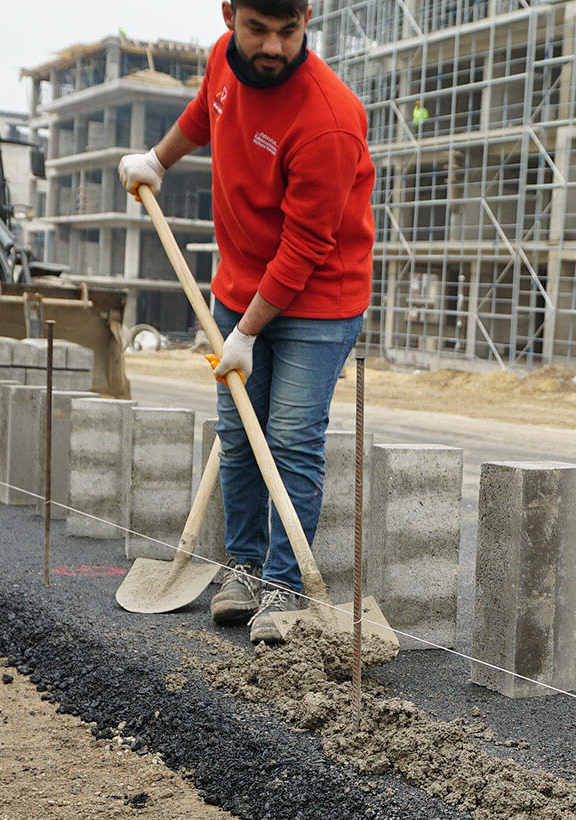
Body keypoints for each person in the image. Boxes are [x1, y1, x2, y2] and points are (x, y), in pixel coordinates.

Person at [119, 0, 374, 644]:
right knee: (237, 436)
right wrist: (159, 158)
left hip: (317, 299)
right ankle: (245, 567)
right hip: (238, 285)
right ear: (229, 13)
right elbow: (208, 109)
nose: (273, 47)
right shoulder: (221, 62)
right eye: (258, 29)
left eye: (289, 33)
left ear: (308, 18)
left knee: (288, 439)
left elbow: (306, 247)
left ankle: (285, 590)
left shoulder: (329, 119)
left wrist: (247, 333)